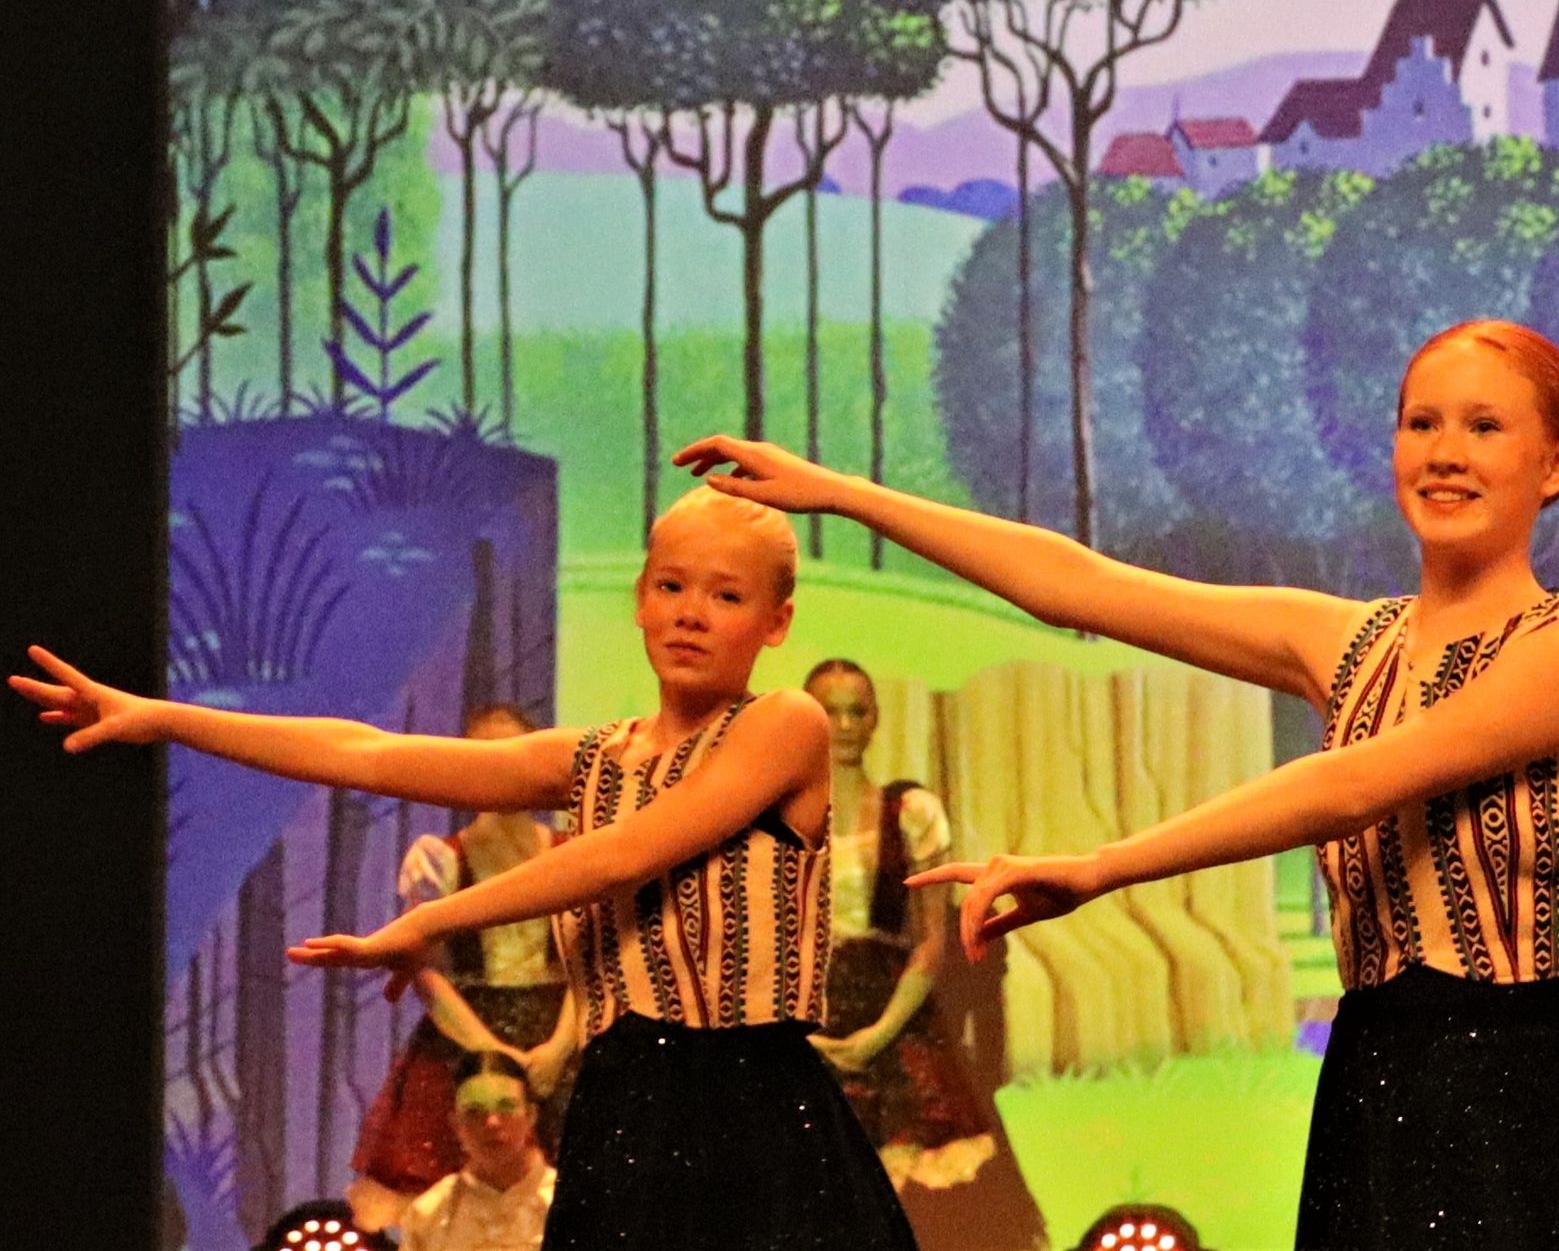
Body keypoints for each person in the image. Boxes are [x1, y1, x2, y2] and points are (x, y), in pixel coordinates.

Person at [675, 319, 1559, 1250]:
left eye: (1484, 426)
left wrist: (1103, 866)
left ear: (1557, 462)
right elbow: (1081, 586)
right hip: (1388, 1082)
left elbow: (1356, 783)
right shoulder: (1347, 641)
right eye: (1421, 422)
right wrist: (839, 494)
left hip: (1554, 1088)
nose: (1444, 453)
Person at [11, 486, 917, 1251]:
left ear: (776, 621)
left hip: (753, 1103)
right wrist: (164, 716)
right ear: (641, 598)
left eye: (726, 595)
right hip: (621, 1108)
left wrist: (432, 919)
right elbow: (367, 753)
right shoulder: (593, 759)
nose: (690, 612)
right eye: (671, 585)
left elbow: (623, 855)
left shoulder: (784, 725)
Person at [803, 658, 1048, 1251]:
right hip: (807, 1015)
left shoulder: (909, 813)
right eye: (829, 712)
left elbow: (931, 939)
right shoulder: (777, 820)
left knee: (934, 1194)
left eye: (856, 711)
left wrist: (879, 1033)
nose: (844, 725)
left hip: (898, 1012)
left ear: (874, 719)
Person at [349, 704, 577, 1232]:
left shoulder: (573, 852)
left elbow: (594, 965)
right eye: (484, 758)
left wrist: (561, 1047)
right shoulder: (440, 859)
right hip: (462, 1039)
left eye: (515, 756)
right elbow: (426, 972)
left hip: (561, 1042)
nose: (501, 771)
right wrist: (489, 1052)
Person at [396, 1052, 557, 1251]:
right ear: (456, 1124)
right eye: (474, 1111)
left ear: (531, 1116)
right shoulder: (429, 1216)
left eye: (506, 1107)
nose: (491, 1122)